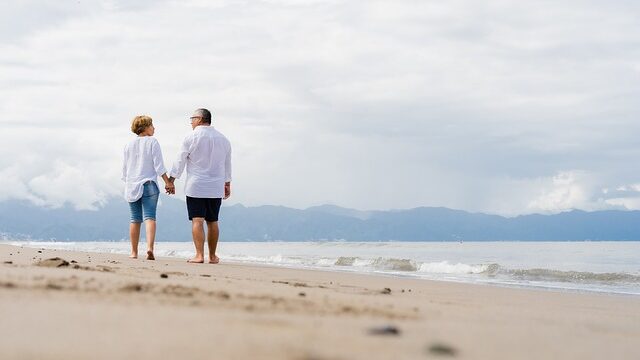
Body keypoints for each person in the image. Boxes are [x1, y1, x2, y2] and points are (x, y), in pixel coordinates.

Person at [168, 108, 232, 264]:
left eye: (192, 118)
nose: (191, 122)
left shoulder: (191, 137)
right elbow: (227, 164)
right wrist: (227, 183)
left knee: (197, 220)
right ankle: (212, 256)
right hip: (216, 186)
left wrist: (171, 180)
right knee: (213, 221)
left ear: (200, 119)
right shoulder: (223, 139)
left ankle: (199, 255)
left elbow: (180, 160)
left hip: (196, 185)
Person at [122, 115, 175, 260]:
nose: (154, 128)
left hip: (132, 185)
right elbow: (159, 166)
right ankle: (150, 249)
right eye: (151, 125)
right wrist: (168, 182)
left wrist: (129, 183)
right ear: (145, 127)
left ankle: (133, 252)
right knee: (150, 217)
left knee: (135, 219)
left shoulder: (128, 145)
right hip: (149, 184)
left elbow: (125, 170)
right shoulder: (152, 142)